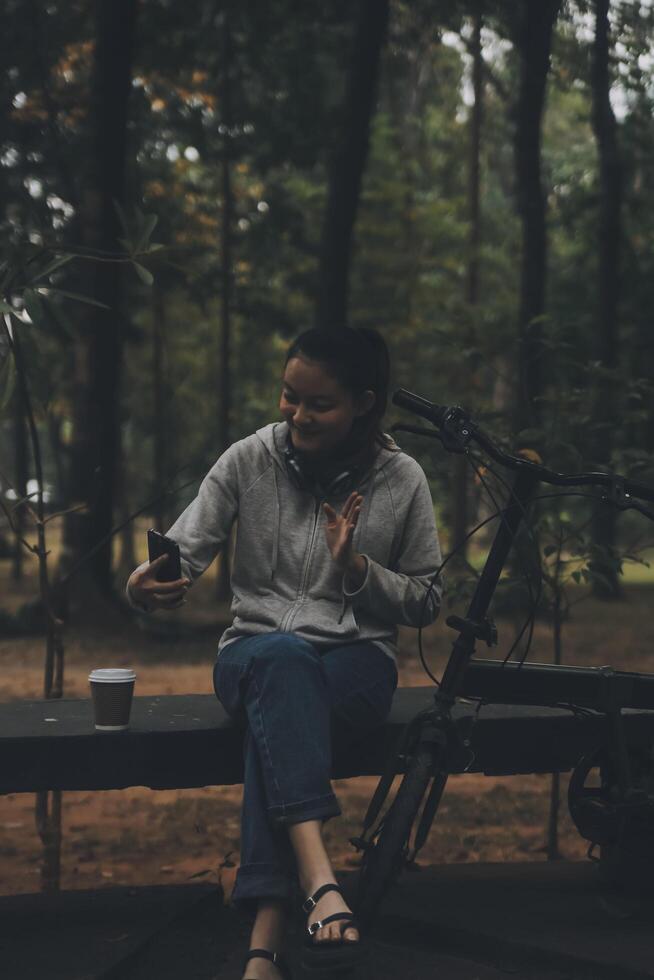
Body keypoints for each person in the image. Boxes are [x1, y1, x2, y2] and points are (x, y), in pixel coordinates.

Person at [126, 327, 443, 979]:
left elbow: (428, 598)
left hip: (357, 667)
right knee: (281, 661)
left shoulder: (403, 479)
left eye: (317, 404)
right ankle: (320, 880)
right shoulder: (249, 459)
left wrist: (357, 568)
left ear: (363, 402)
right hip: (251, 656)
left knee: (278, 718)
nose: (296, 414)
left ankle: (266, 937)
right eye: (289, 396)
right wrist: (143, 584)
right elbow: (183, 549)